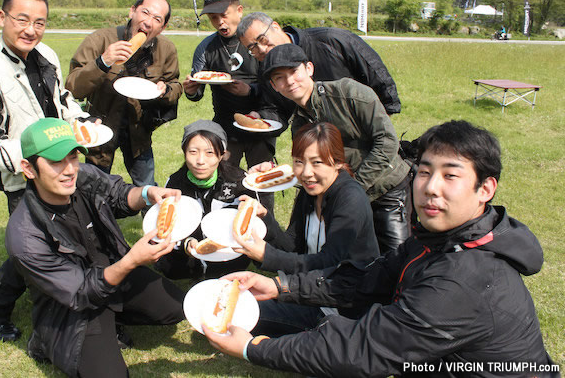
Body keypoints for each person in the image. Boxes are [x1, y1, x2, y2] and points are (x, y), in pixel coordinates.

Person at [205, 120, 558, 377]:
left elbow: (363, 348)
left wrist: (254, 349)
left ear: (485, 189)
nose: (431, 187)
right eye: (423, 172)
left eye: (451, 175)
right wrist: (281, 287)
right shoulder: (433, 240)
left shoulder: (465, 278)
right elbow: (366, 280)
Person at [5, 118, 185, 378]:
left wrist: (148, 193)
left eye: (73, 157)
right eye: (56, 161)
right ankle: (46, 339)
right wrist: (131, 261)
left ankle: (111, 319)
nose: (69, 170)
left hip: (112, 275)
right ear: (29, 168)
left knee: (176, 307)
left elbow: (119, 194)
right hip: (71, 307)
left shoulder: (83, 176)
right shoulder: (25, 236)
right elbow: (80, 292)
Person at [0, 0, 88, 342]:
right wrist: (35, 161)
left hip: (62, 165)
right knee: (31, 248)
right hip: (24, 176)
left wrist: (81, 122)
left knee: (66, 235)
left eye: (40, 22)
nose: (31, 29)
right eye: (22, 20)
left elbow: (62, 100)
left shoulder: (44, 53)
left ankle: (72, 297)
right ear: (2, 18)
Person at [261, 43, 411, 253]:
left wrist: (354, 189)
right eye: (279, 77)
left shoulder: (350, 93)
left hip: (386, 189)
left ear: (309, 69)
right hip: (344, 195)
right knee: (345, 259)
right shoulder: (299, 124)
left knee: (397, 259)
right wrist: (273, 174)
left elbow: (387, 142)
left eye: (294, 71)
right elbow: (312, 167)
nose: (289, 81)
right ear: (274, 86)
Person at [235, 122, 379, 336]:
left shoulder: (350, 200)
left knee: (243, 316)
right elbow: (293, 245)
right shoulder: (310, 193)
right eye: (299, 162)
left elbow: (328, 263)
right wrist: (265, 217)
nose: (306, 173)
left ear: (337, 162)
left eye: (317, 162)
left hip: (344, 307)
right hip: (310, 293)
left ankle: (326, 336)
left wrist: (268, 255)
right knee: (238, 306)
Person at [65, 0, 182, 187]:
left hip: (139, 132)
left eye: (157, 19)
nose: (148, 22)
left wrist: (165, 89)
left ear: (163, 27)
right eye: (145, 12)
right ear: (132, 11)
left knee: (146, 188)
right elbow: (73, 87)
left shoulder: (166, 49)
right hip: (101, 128)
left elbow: (176, 85)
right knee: (94, 188)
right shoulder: (100, 40)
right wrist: (103, 61)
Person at [155, 120, 272, 280]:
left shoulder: (239, 181)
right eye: (193, 152)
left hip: (229, 253)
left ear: (222, 154)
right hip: (189, 253)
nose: (200, 161)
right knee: (171, 270)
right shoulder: (174, 184)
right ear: (184, 152)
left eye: (210, 153)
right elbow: (166, 227)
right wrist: (186, 244)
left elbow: (255, 222)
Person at [236, 11, 401, 120]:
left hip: (359, 123)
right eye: (252, 48)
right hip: (318, 141)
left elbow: (376, 73)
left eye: (262, 39)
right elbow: (276, 108)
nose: (262, 49)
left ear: (276, 27)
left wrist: (382, 117)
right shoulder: (267, 68)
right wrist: (260, 117)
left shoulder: (332, 40)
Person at [183, 0, 278, 174]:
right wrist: (190, 90)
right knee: (224, 181)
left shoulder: (259, 43)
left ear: (239, 11)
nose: (220, 22)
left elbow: (277, 87)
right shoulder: (206, 48)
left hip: (260, 123)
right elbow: (197, 93)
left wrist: (251, 90)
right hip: (224, 126)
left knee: (261, 182)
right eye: (213, 18)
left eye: (224, 15)